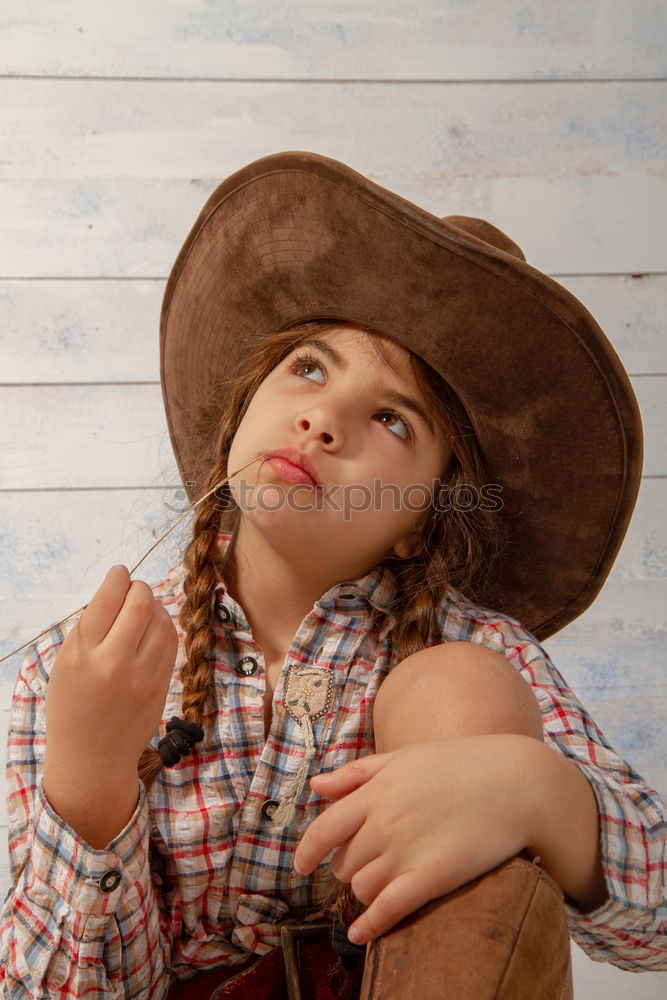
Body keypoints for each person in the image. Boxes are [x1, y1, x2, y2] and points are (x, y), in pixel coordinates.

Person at [1, 151, 665, 999]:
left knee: (460, 688)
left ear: (422, 517)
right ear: (243, 409)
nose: (322, 420)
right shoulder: (87, 668)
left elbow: (658, 927)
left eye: (391, 419)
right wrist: (90, 783)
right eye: (309, 368)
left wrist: (538, 793)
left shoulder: (477, 644)